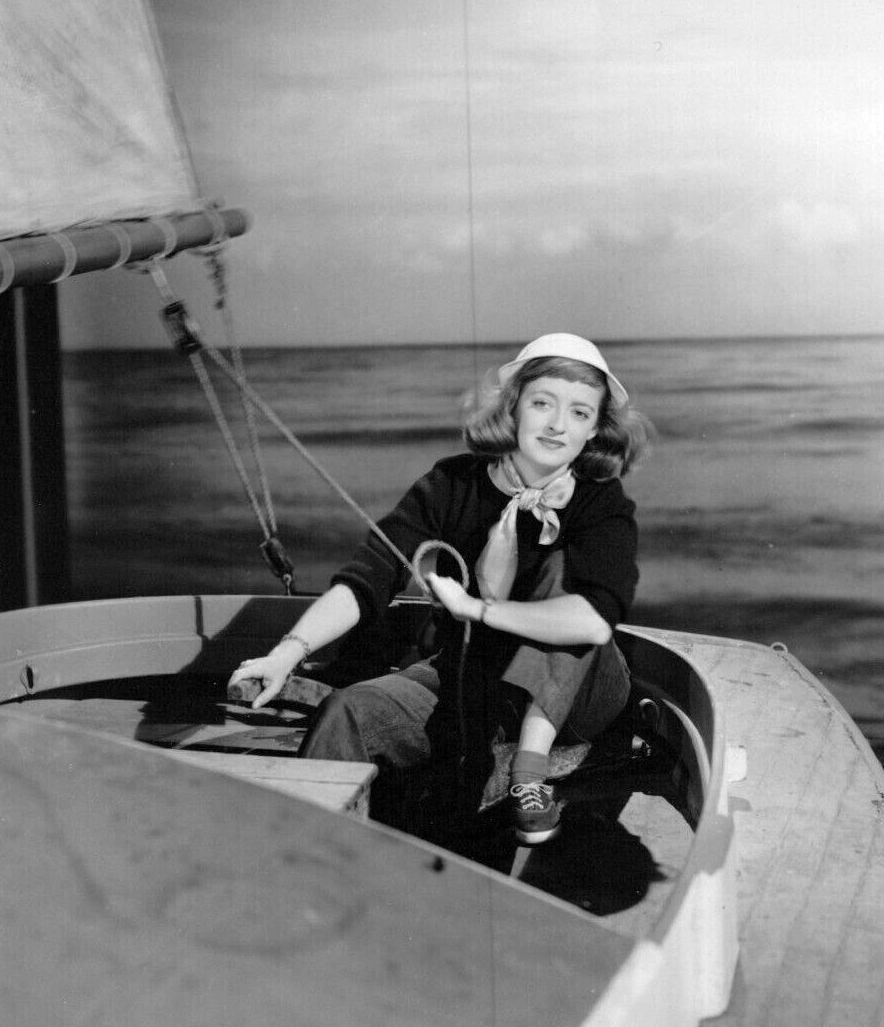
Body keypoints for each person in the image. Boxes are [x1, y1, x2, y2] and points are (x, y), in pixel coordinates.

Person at [229, 332, 649, 845]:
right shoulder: (453, 483)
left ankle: (529, 769)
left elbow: (592, 622)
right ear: (513, 405)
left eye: (579, 412)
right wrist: (286, 654)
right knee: (348, 712)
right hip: (475, 680)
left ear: (595, 429)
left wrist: (476, 609)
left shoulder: (601, 501)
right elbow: (370, 575)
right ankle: (315, 859)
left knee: (561, 579)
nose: (558, 425)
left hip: (584, 693)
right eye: (543, 403)